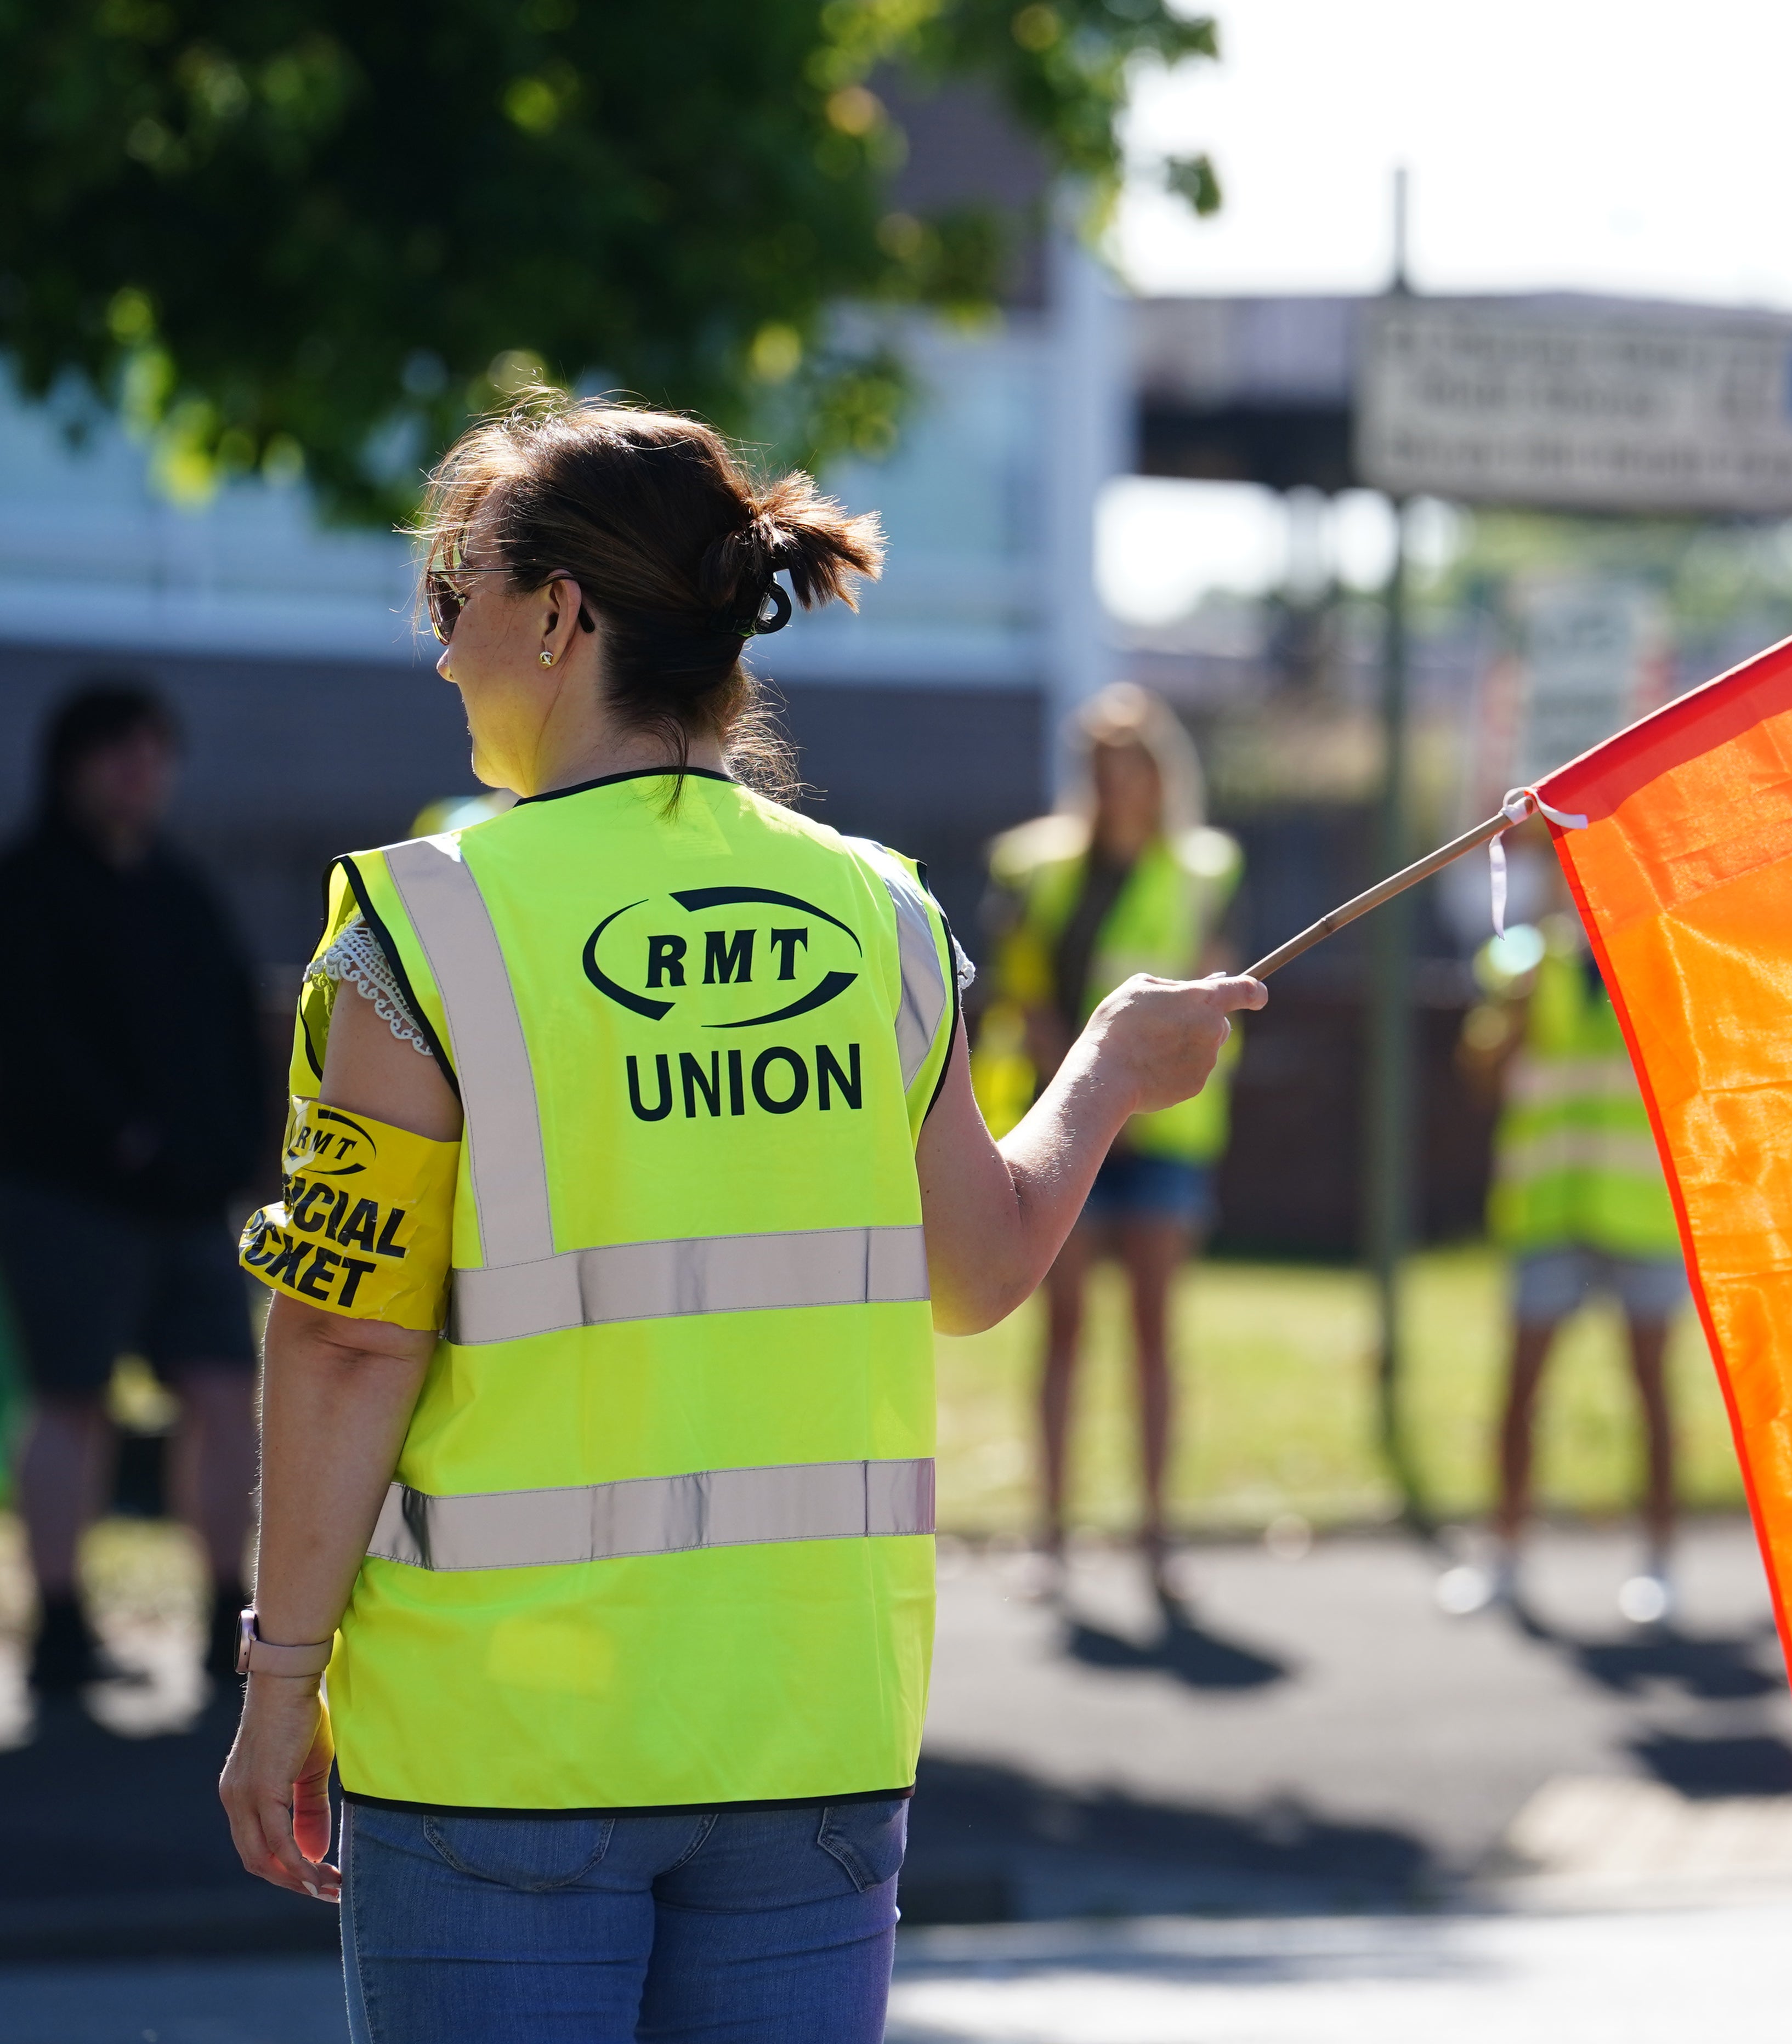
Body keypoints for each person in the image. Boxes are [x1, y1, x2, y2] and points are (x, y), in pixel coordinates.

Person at [209, 394, 1259, 2041]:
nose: (438, 654)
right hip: (810, 1737)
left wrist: (280, 1685)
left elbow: (347, 1341)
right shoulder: (884, 914)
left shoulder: (425, 931)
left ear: (558, 615)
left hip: (505, 1746)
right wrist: (1107, 1076)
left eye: (452, 599)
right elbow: (981, 1271)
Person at [0, 679, 277, 1699]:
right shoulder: (27, 891)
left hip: (192, 1204)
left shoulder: (182, 891)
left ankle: (220, 1613)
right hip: (66, 1200)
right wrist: (118, 1138)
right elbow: (31, 1050)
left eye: (155, 755)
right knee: (74, 1403)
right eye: (122, 754)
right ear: (74, 766)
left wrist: (243, 1150)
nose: (142, 774)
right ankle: (65, 1621)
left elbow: (237, 1031)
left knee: (221, 1395)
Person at [973, 686, 1239, 1611]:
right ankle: (1050, 1535)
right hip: (1068, 1123)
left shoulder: (1204, 869)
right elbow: (1020, 988)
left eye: (1136, 766)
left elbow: (1216, 983)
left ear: (1162, 774)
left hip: (1165, 1135)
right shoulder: (1036, 866)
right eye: (1105, 767)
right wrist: (1075, 1081)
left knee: (1156, 1333)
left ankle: (1158, 1538)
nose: (1122, 784)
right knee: (1064, 1329)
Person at [1440, 882, 1688, 1628]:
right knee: (1521, 1389)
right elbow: (1481, 1076)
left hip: (1639, 1211)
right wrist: (1511, 1014)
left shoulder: (1657, 953)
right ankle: (1507, 1554)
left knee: (1651, 1391)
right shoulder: (1519, 961)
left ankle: (1659, 1561)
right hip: (1549, 1208)